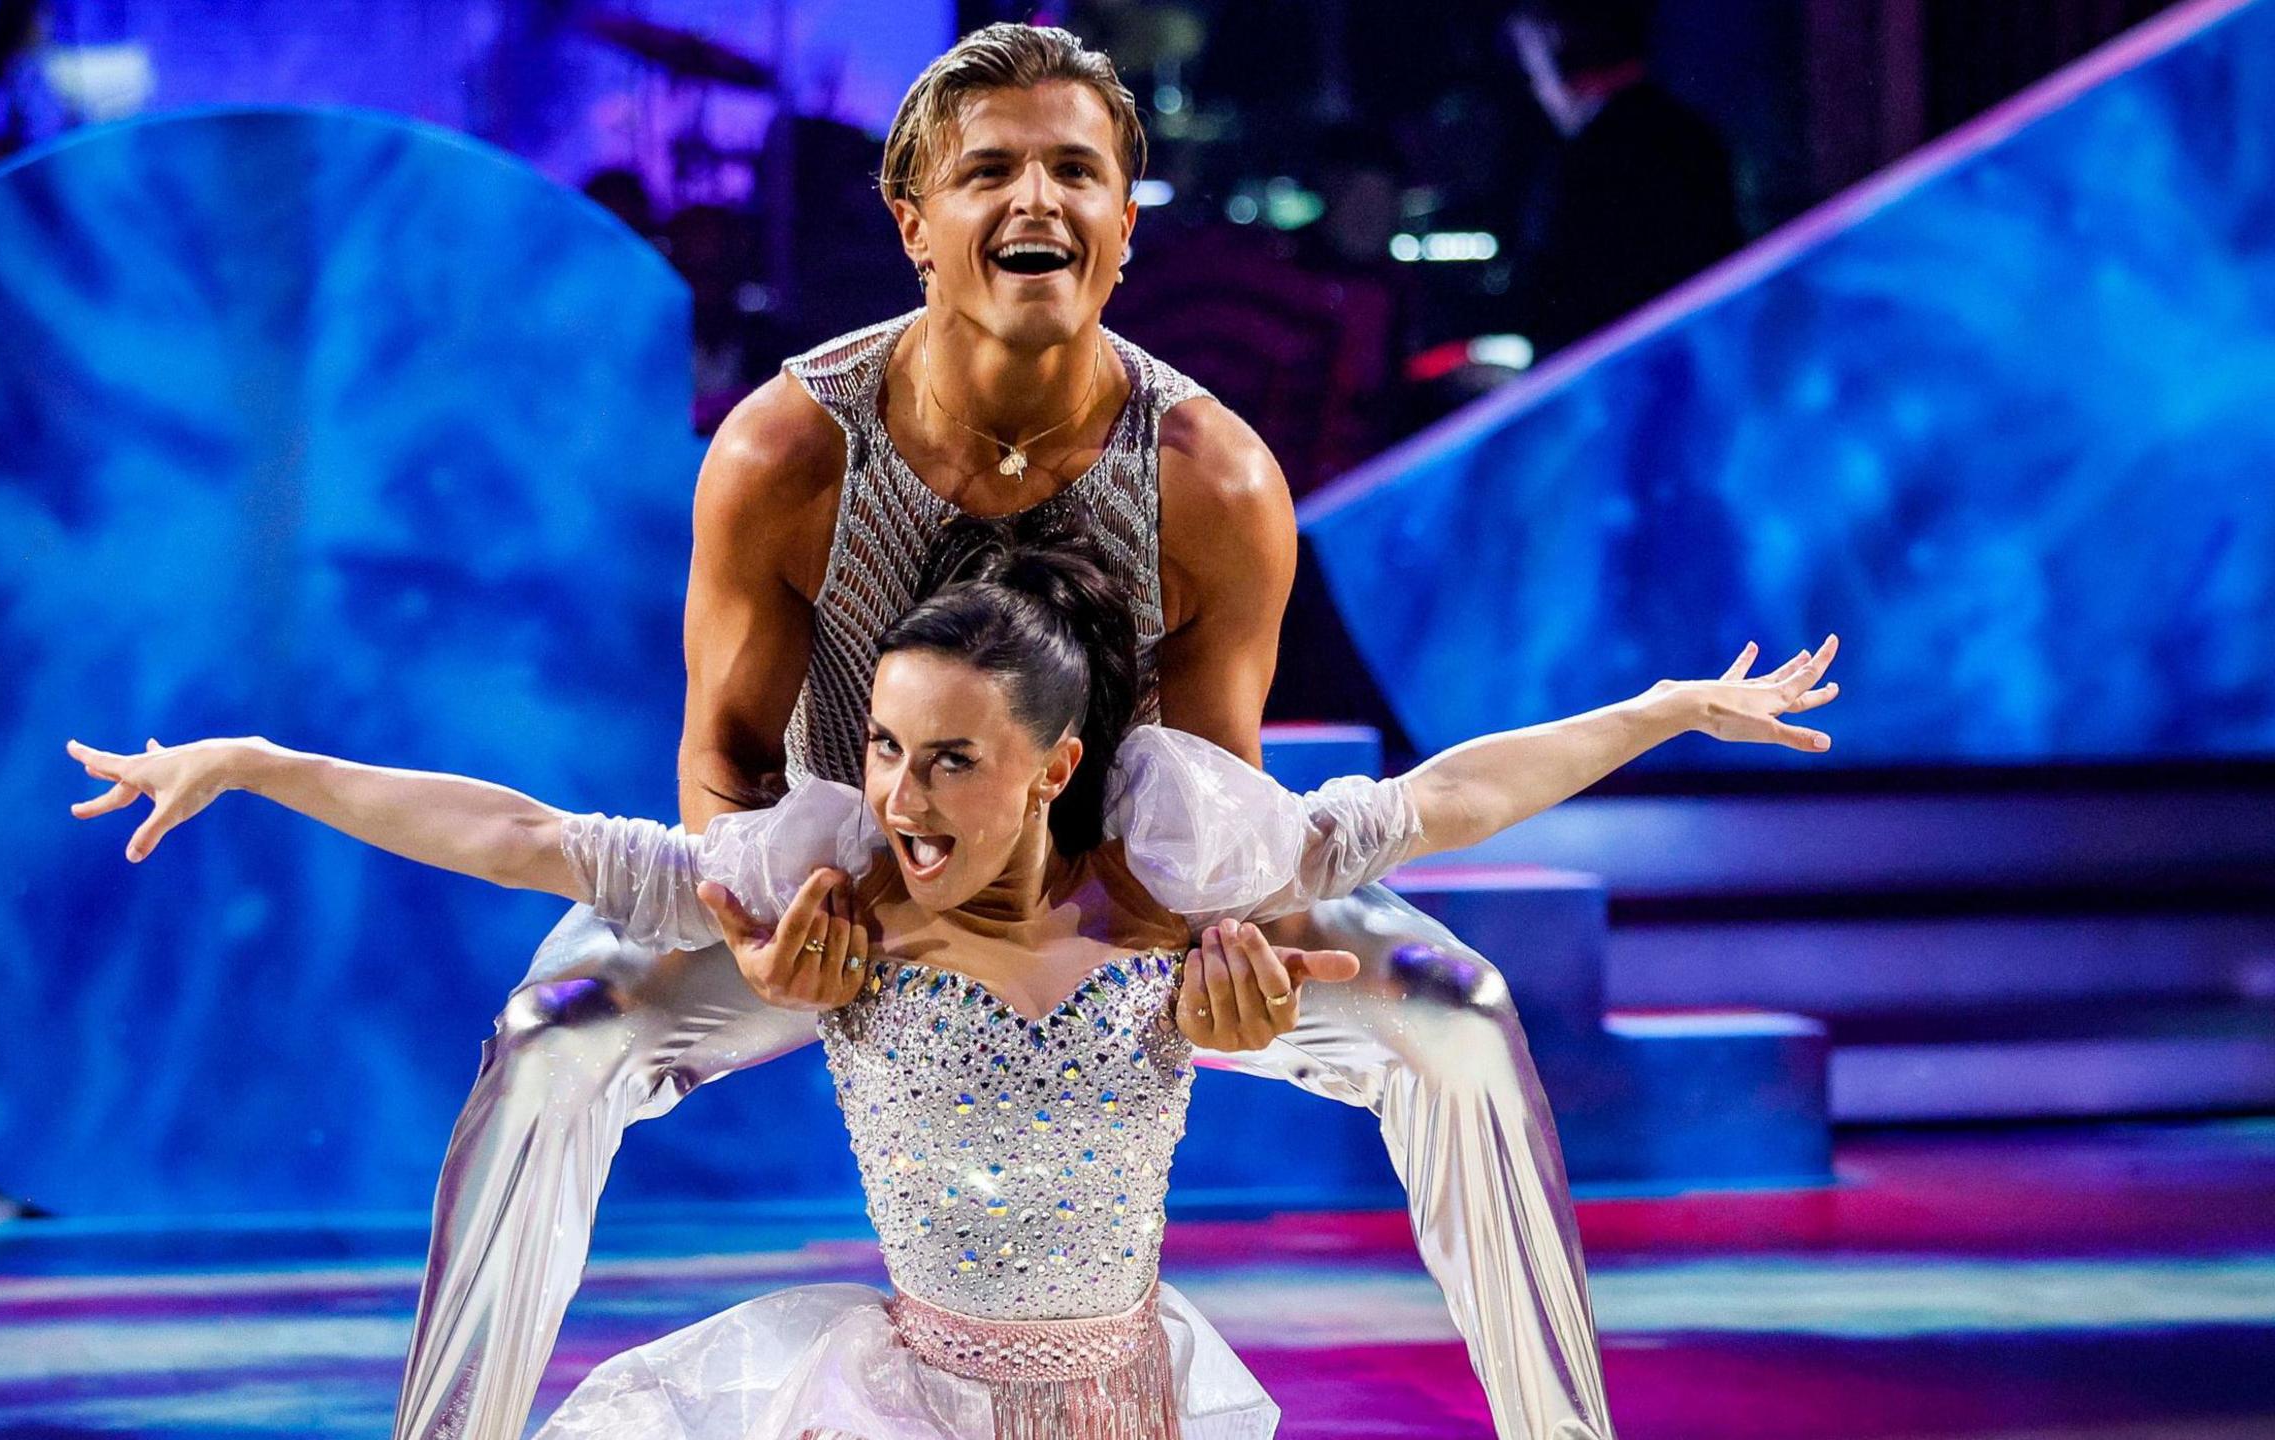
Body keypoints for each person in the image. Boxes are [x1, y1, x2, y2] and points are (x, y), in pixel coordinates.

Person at [394, 22, 1657, 1440]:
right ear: (913, 223)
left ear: (1124, 224)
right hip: (845, 891)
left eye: (1074, 169)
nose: (1035, 200)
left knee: (1461, 1018)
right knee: (552, 1035)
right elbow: (724, 766)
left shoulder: (1215, 475)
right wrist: (768, 930)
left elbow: (1208, 806)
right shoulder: (785, 449)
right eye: (990, 169)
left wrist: (1211, 966)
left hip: (1114, 898)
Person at [66, 516, 1842, 1440]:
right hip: (905, 1398)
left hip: (1122, 1396)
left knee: (1455, 1021)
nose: (907, 800)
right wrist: (255, 761)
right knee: (553, 1034)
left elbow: (1435, 804)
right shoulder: (827, 874)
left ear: (1056, 767)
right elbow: (533, 839)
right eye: (892, 754)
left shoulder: (1174, 867)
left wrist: (1672, 710)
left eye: (953, 764)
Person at [1504, 0, 1745, 355]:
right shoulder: (1695, 138)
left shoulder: (1578, 168)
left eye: (1533, 70)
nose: (1537, 90)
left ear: (1558, 52)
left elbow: (1551, 307)